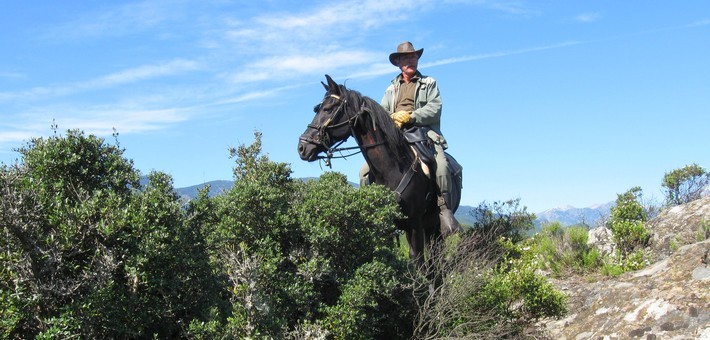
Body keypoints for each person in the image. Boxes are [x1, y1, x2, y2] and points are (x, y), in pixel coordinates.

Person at [359, 41, 461, 233]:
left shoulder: (429, 83)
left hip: (424, 134)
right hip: (396, 135)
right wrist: (392, 119)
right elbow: (382, 113)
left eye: (413, 56)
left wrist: (411, 116)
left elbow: (435, 109)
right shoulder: (391, 89)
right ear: (398, 63)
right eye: (405, 58)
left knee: (441, 164)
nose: (410, 60)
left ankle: (445, 210)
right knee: (365, 171)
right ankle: (370, 212)